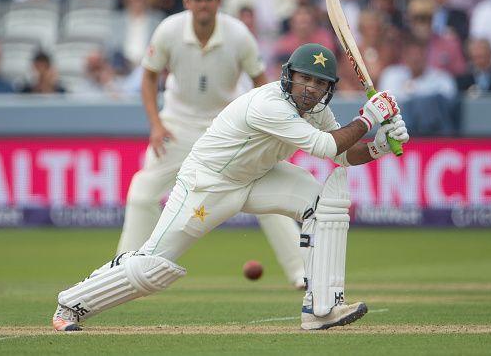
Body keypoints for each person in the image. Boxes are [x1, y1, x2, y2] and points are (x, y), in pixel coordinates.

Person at [51, 42, 409, 331]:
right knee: (153, 267)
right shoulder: (268, 105)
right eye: (305, 79)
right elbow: (325, 147)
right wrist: (370, 117)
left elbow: (342, 155)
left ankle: (321, 308)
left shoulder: (314, 109)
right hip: (208, 186)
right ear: (289, 76)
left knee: (323, 201)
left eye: (320, 84)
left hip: (258, 176)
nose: (311, 89)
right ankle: (71, 304)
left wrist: (379, 145)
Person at [116, 0, 306, 289]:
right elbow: (149, 77)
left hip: (227, 129)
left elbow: (262, 83)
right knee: (141, 192)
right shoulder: (169, 30)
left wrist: (266, 126)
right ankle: (122, 269)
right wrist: (156, 124)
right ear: (187, 2)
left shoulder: (238, 35)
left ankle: (301, 272)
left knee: (268, 194)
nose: (203, 4)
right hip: (176, 126)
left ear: (218, 2)